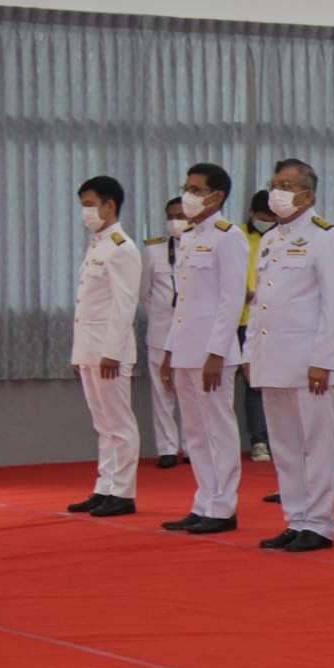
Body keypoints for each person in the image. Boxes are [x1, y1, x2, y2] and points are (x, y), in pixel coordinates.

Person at [245, 158, 334, 553]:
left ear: (307, 195)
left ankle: (319, 523)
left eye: (287, 185)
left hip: (309, 361)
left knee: (316, 445)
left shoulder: (326, 237)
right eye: (275, 183)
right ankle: (296, 518)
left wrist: (322, 360)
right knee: (284, 445)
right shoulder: (272, 238)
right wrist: (250, 352)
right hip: (272, 357)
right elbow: (261, 302)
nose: (278, 192)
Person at [159, 162, 249, 536]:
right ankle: (204, 501)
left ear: (217, 196)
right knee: (194, 431)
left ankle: (223, 507)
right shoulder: (189, 236)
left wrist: (217, 352)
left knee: (218, 429)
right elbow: (182, 302)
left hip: (213, 351)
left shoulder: (229, 236)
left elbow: (232, 299)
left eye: (196, 189)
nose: (188, 195)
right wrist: (169, 350)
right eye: (187, 187)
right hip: (185, 347)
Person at [67, 175, 143, 518]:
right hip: (90, 348)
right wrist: (80, 352)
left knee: (119, 423)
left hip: (110, 351)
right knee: (102, 423)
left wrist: (111, 352)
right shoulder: (98, 244)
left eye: (89, 204)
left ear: (109, 205)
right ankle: (105, 487)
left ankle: (123, 492)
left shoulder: (122, 247)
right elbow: (87, 304)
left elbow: (124, 305)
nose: (85, 211)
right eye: (83, 205)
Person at [140, 197, 187, 468]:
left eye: (181, 215)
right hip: (161, 332)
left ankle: (191, 447)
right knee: (162, 393)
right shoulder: (154, 250)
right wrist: (161, 317)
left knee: (191, 395)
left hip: (192, 335)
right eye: (171, 216)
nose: (175, 221)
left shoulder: (205, 248)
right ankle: (167, 448)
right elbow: (144, 294)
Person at [239, 190, 275, 463]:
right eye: (263, 217)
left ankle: (273, 439)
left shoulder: (281, 238)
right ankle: (258, 440)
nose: (266, 222)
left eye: (271, 218)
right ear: (252, 213)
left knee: (267, 383)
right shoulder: (237, 235)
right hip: (237, 320)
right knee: (250, 383)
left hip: (269, 321)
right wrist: (241, 291)